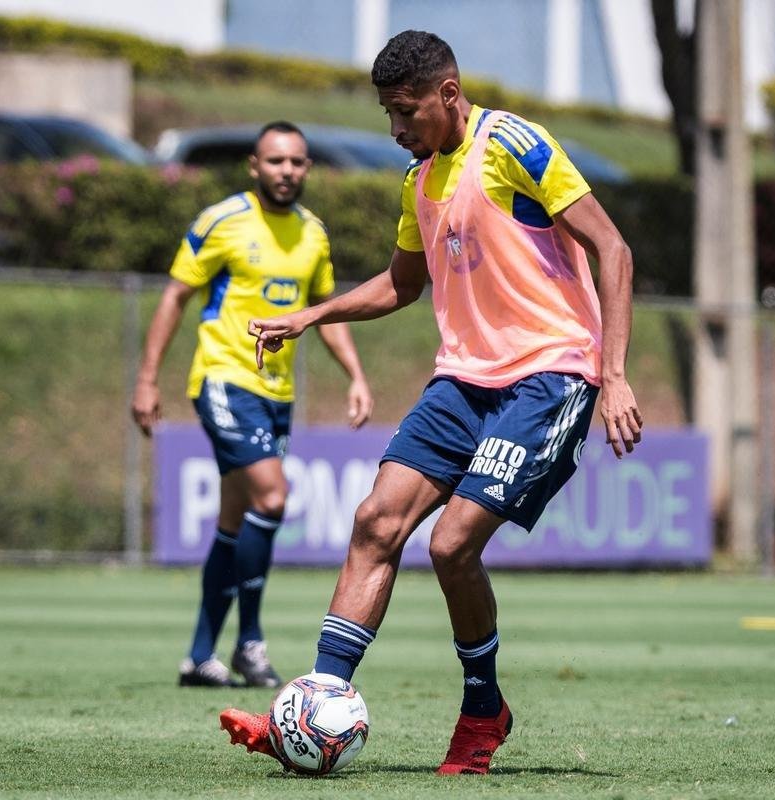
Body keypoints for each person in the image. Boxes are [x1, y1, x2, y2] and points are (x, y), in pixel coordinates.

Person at [220, 30, 642, 771]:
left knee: (451, 544)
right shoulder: (416, 180)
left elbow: (614, 248)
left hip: (551, 375)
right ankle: (314, 707)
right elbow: (402, 285)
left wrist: (615, 374)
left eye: (407, 111)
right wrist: (312, 315)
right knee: (375, 520)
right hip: (462, 381)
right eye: (388, 112)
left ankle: (484, 708)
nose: (396, 128)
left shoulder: (515, 144)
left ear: (449, 94)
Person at [131, 120, 373, 688]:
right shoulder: (222, 221)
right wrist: (146, 379)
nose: (286, 171)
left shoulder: (313, 233)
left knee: (233, 520)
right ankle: (250, 643)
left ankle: (198, 657)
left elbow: (324, 311)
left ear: (307, 168)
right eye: (275, 161)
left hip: (276, 394)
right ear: (254, 166)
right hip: (223, 378)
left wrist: (356, 375)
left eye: (296, 162)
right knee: (273, 494)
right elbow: (175, 298)